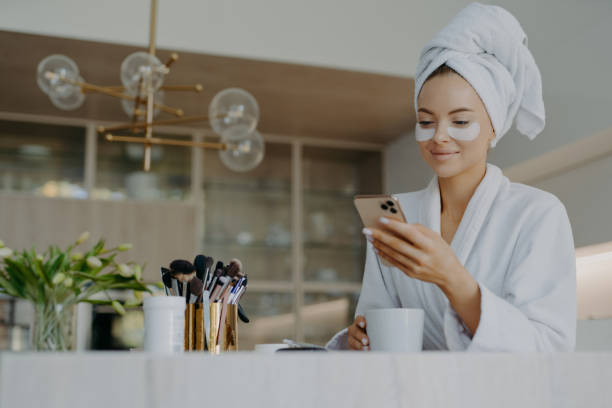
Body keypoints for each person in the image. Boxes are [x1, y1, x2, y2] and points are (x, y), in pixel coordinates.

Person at [326, 2, 576, 351]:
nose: (439, 136)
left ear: (494, 127)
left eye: (460, 121)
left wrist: (452, 277)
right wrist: (359, 338)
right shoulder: (400, 213)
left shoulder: (537, 214)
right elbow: (376, 321)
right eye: (426, 122)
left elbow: (549, 350)